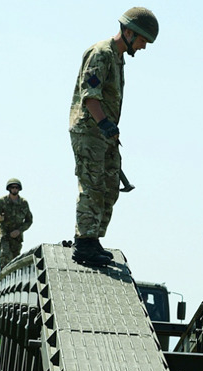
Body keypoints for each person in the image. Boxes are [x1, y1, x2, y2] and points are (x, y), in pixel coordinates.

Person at [68, 7, 158, 266]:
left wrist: (110, 132)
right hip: (90, 131)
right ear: (128, 33)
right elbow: (90, 96)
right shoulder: (102, 53)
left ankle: (93, 238)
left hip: (105, 134)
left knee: (108, 187)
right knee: (93, 185)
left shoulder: (118, 58)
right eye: (142, 40)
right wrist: (105, 124)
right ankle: (84, 242)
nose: (143, 47)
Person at [0, 178, 33, 270]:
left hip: (16, 236)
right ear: (9, 188)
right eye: (12, 187)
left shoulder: (24, 203)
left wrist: (19, 231)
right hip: (4, 233)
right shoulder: (2, 201)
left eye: (16, 187)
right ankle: (3, 274)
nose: (14, 189)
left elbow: (29, 221)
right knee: (4, 254)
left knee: (15, 259)